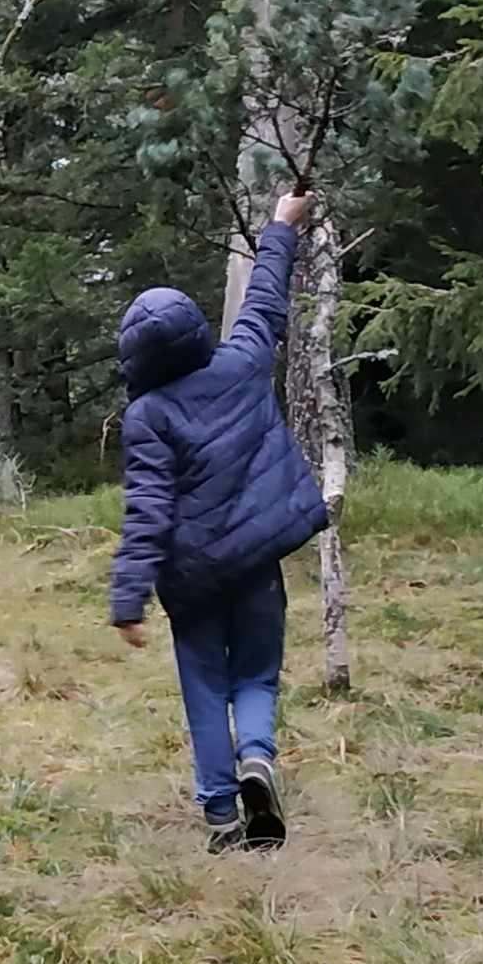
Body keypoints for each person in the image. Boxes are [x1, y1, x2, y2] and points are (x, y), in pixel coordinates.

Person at [110, 189, 328, 852]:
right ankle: (256, 759)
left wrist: (128, 597)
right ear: (197, 332)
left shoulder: (147, 416)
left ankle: (221, 816)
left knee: (205, 689)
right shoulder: (243, 363)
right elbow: (265, 299)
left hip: (194, 581)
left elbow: (148, 508)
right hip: (257, 564)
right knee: (256, 675)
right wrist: (281, 226)